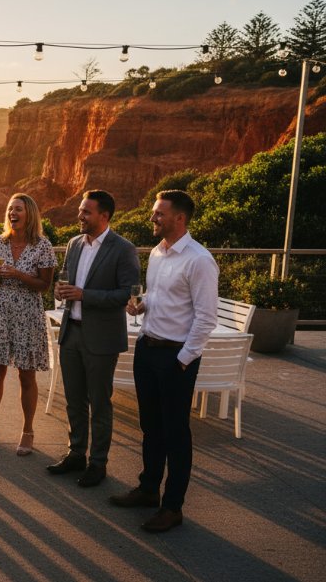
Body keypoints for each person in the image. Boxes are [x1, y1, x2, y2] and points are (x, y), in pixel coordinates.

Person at [110, 190, 218, 533]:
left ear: (179, 219)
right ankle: (147, 489)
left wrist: (182, 361)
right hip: (148, 348)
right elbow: (158, 296)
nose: (152, 218)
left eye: (159, 214)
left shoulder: (199, 260)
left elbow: (206, 319)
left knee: (175, 433)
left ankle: (173, 507)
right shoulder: (157, 252)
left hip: (175, 357)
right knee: (151, 427)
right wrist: (141, 306)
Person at [48, 190, 140, 487]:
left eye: (86, 212)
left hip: (101, 338)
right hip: (71, 332)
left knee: (99, 403)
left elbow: (126, 293)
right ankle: (76, 454)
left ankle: (97, 464)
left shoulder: (123, 249)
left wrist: (85, 295)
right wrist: (60, 291)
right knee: (74, 400)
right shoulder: (74, 243)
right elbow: (64, 278)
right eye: (80, 210)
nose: (80, 216)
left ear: (105, 216)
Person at [0, 193, 57, 455]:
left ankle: (28, 430)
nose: (13, 213)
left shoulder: (42, 246)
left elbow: (45, 286)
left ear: (30, 214)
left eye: (19, 209)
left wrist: (17, 274)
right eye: (11, 209)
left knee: (26, 374)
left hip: (28, 312)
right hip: (1, 309)